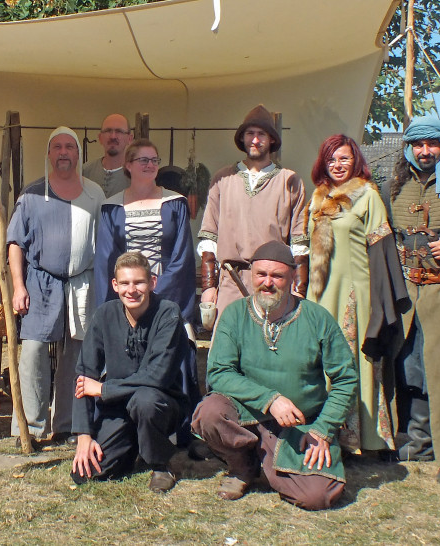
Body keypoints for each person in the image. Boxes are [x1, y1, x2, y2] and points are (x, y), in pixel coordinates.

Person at [191, 241, 357, 510]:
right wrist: (270, 399)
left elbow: (345, 379)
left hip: (300, 425)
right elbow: (219, 373)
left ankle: (267, 460)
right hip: (247, 417)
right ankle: (242, 467)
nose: (267, 283)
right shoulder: (234, 315)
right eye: (261, 275)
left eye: (277, 276)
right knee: (209, 412)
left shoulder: (317, 318)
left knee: (317, 496)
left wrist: (324, 429)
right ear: (251, 276)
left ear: (292, 278)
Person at [306, 135, 409, 454]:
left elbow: (381, 253)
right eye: (331, 159)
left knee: (354, 363)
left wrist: (381, 305)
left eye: (344, 159)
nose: (337, 165)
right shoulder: (318, 196)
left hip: (356, 295)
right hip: (321, 294)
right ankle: (324, 436)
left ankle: (364, 439)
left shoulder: (368, 195)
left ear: (356, 161)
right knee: (321, 363)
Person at [94, 138, 200, 444]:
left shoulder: (174, 203)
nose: (150, 165)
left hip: (165, 298)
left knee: (172, 355)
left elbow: (181, 257)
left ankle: (179, 431)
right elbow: (105, 260)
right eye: (143, 160)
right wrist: (118, 305)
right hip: (126, 299)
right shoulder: (112, 206)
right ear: (128, 165)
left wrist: (156, 299)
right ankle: (126, 427)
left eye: (154, 160)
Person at [7, 126, 105, 445]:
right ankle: (32, 427)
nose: (64, 152)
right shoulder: (32, 194)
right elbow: (15, 243)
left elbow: (105, 243)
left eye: (70, 147)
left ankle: (67, 423)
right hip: (40, 281)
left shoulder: (94, 194)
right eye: (57, 147)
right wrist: (18, 286)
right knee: (34, 351)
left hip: (83, 283)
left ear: (79, 154)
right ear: (49, 154)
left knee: (76, 355)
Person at [71, 251, 189, 493]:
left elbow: (157, 377)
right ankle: (133, 446)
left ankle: (160, 464)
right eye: (124, 283)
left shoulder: (168, 314)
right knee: (90, 472)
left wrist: (104, 389)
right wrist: (84, 435)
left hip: (161, 404)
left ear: (152, 283)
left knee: (144, 401)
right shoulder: (105, 315)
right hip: (118, 407)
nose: (131, 290)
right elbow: (84, 375)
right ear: (115, 285)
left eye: (139, 282)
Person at [384, 116, 440, 484]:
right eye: (418, 144)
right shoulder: (394, 185)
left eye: (432, 144)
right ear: (409, 147)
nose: (425, 151)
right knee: (409, 366)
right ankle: (417, 442)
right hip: (406, 289)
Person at [198, 104, 308, 323]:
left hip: (272, 284)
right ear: (242, 138)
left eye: (261, 134)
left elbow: (299, 243)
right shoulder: (223, 179)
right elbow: (209, 238)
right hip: (230, 281)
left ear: (272, 140)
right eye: (250, 134)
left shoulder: (290, 180)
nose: (255, 140)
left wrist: (298, 290)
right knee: (227, 349)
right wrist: (209, 286)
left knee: (270, 349)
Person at [82, 114, 133, 198]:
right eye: (108, 131)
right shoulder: (85, 172)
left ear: (129, 139)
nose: (113, 136)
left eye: (119, 131)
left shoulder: (137, 174)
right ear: (100, 138)